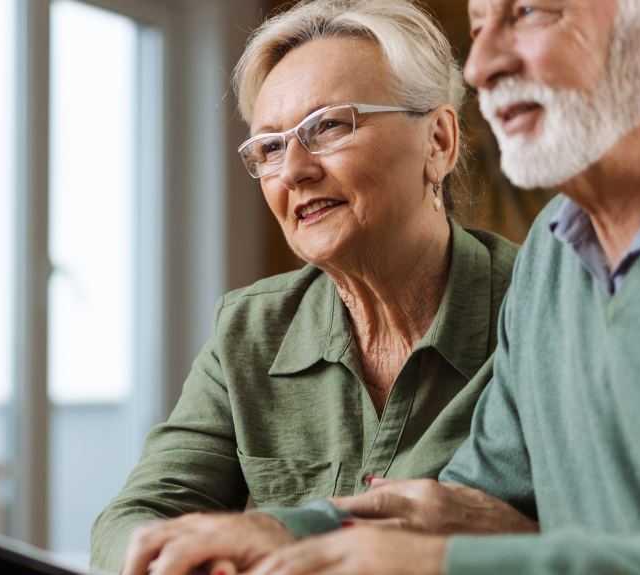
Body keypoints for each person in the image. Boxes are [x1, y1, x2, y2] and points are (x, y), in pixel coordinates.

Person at [123, 0, 640, 573]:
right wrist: (291, 533)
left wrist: (445, 563)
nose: (479, 67)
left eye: (530, 11)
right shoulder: (555, 256)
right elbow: (464, 501)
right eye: (480, 25)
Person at [88, 1, 519, 572]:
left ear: (437, 141)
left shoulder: (538, 303)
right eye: (269, 146)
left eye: (329, 126)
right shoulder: (247, 330)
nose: (292, 169)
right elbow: (139, 512)